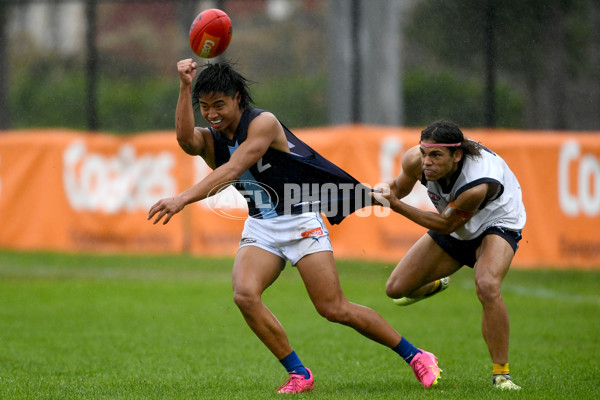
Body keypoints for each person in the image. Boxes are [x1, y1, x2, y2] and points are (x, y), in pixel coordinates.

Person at [147, 59, 441, 393]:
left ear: (238, 100)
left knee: (333, 308)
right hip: (261, 225)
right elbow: (185, 140)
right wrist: (185, 86)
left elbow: (232, 170)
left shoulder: (263, 123)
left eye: (219, 105)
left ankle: (416, 355)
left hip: (300, 218)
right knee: (245, 295)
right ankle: (299, 373)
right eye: (204, 107)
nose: (212, 114)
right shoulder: (209, 137)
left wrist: (181, 199)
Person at [371, 120, 526, 391]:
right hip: (456, 221)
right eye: (423, 153)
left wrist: (394, 205)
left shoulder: (476, 184)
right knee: (395, 289)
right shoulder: (415, 160)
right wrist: (374, 193)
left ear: (457, 155)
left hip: (496, 222)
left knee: (487, 285)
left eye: (435, 155)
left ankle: (501, 375)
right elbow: (398, 188)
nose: (427, 162)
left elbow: (445, 225)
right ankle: (436, 282)